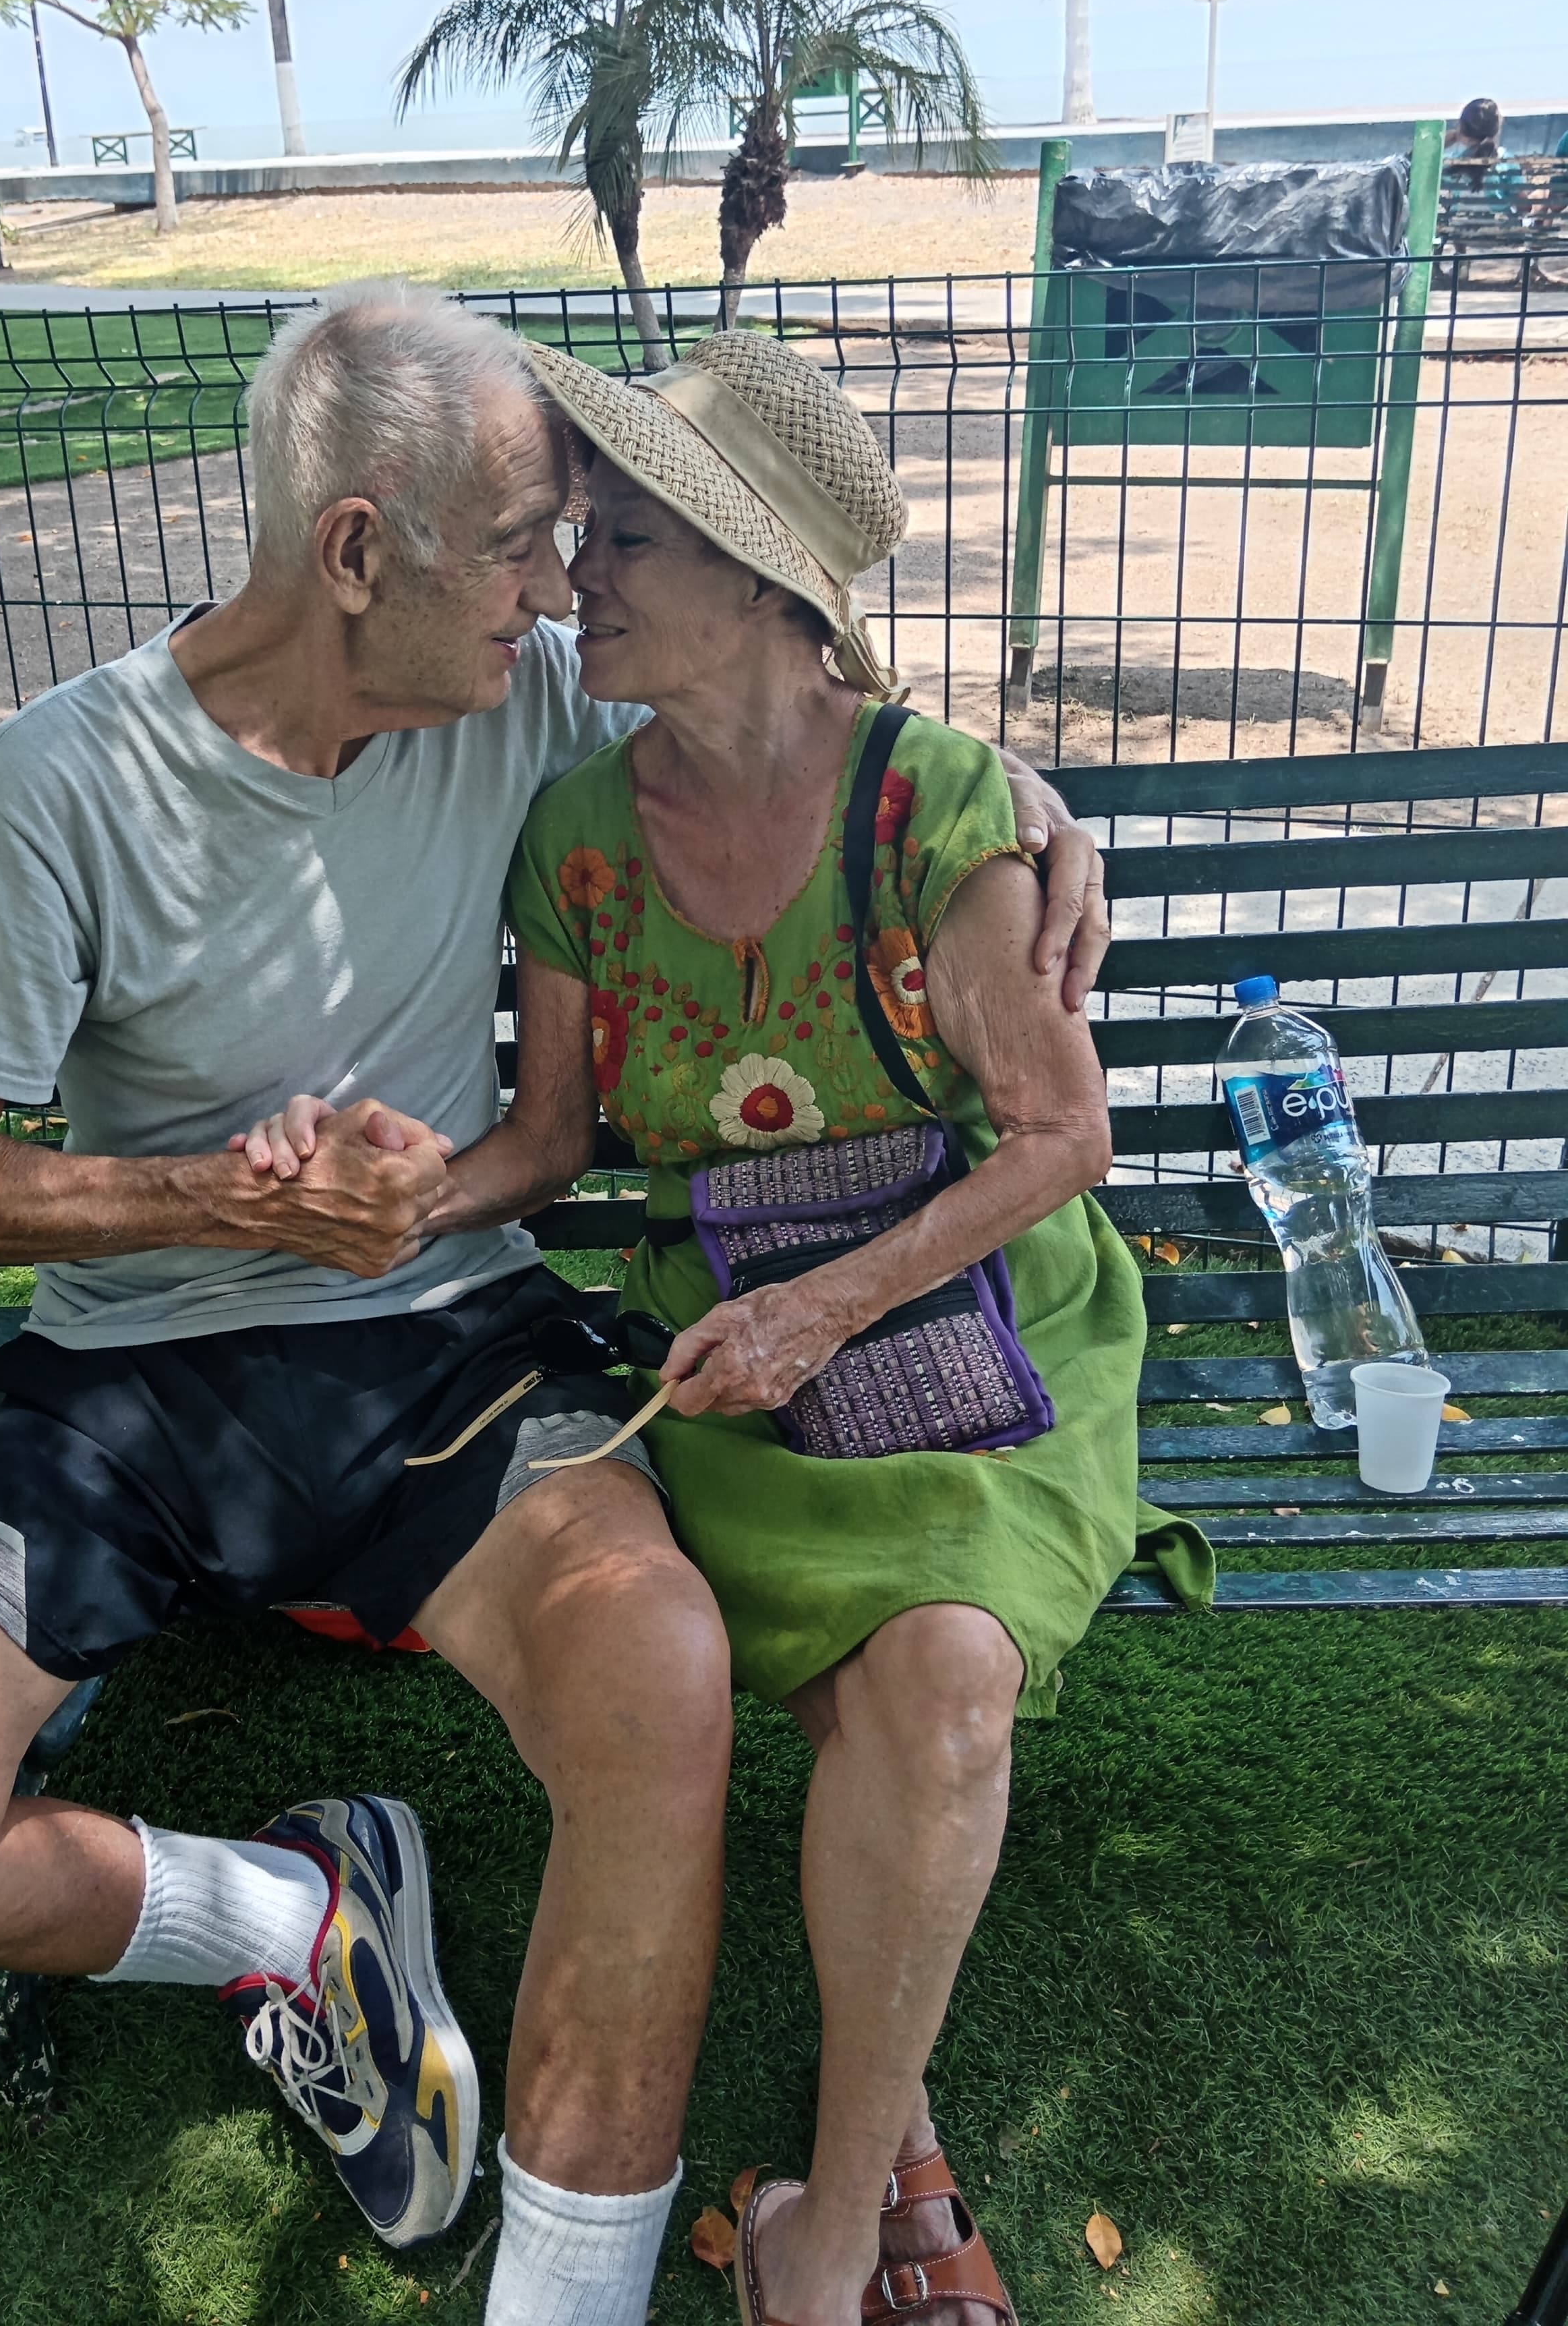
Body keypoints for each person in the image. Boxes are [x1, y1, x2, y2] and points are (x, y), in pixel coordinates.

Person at [0, 285, 1108, 2326]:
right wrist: (213, 1197)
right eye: (530, 543)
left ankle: (567, 2296)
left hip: (447, 1339)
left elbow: (808, 721)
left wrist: (1045, 817)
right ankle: (282, 1917)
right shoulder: (64, 783)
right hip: (127, 1382)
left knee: (660, 1677)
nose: (560, 595)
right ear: (357, 552)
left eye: (578, 550)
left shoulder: (528, 704)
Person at [318, 326, 1205, 2326]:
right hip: (718, 1355)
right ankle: (887, 2159)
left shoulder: (934, 814)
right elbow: (546, 1144)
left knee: (945, 1675)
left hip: (967, 1316)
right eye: (585, 539)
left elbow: (1067, 1138)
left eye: (627, 541)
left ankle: (821, 2232)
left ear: (768, 583)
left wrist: (834, 1300)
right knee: (878, 1704)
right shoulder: (576, 835)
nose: (581, 580)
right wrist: (388, 1201)